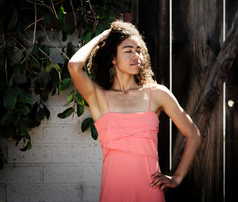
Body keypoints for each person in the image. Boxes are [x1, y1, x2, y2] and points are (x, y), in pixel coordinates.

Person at [68, 20, 202, 202]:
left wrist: (177, 177)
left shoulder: (157, 94)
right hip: (113, 193)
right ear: (113, 58)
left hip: (150, 191)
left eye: (139, 51)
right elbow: (74, 65)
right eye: (128, 51)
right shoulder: (98, 97)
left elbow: (194, 134)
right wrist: (103, 37)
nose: (136, 56)